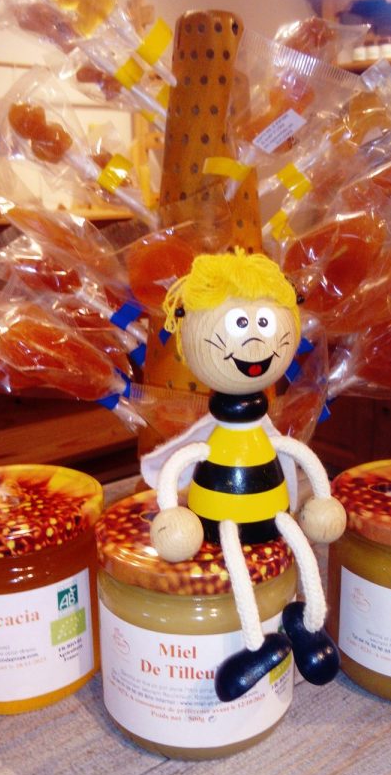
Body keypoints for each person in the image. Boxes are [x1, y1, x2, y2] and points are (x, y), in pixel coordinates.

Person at [141, 250, 346, 701]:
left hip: (272, 515)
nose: (254, 343)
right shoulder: (215, 437)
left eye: (265, 324)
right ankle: (256, 647)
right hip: (223, 523)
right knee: (234, 556)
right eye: (238, 325)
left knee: (301, 549)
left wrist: (322, 499)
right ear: (191, 333)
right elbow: (180, 460)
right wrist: (171, 512)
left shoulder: (263, 432)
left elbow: (294, 452)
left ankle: (307, 623)